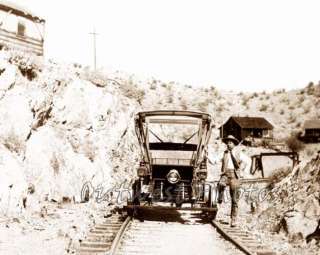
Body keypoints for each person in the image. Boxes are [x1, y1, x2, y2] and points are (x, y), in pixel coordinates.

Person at [217, 135, 248, 227]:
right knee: (220, 184)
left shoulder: (239, 153)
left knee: (234, 199)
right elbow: (215, 160)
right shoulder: (224, 153)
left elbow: (246, 161)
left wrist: (241, 170)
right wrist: (207, 156)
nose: (228, 144)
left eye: (230, 142)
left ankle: (233, 219)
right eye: (227, 142)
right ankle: (220, 198)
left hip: (235, 176)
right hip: (225, 174)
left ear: (234, 144)